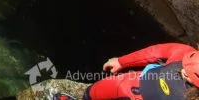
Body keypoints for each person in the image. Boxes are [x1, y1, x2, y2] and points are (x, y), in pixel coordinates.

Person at [51, 43, 199, 100]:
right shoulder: (184, 53)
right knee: (94, 92)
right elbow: (153, 52)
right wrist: (121, 62)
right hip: (132, 82)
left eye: (189, 72)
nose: (183, 71)